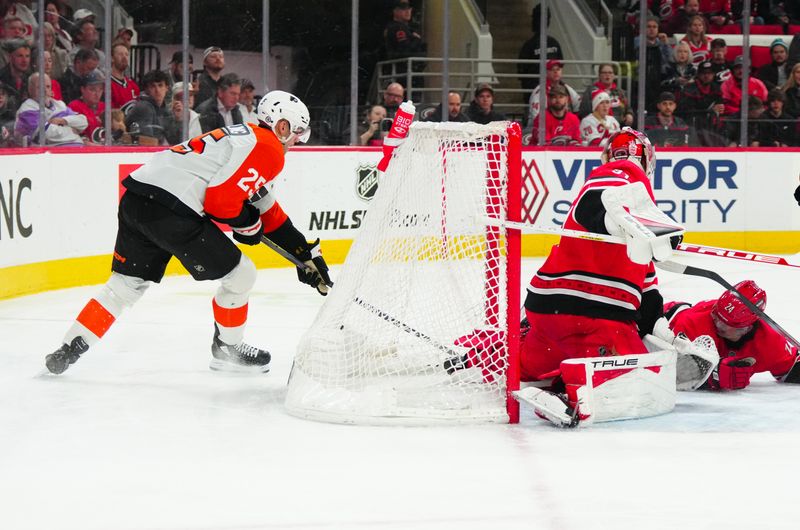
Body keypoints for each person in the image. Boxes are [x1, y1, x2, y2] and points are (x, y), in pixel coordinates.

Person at [44, 90, 330, 375]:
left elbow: (267, 209)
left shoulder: (245, 137)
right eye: (297, 133)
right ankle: (227, 349)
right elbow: (220, 202)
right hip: (171, 209)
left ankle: (68, 348)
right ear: (283, 127)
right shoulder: (268, 148)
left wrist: (303, 252)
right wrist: (247, 223)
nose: (297, 142)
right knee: (242, 274)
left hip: (136, 200)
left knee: (124, 285)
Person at [517, 128, 685, 419]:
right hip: (595, 322)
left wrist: (670, 337)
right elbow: (593, 205)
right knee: (646, 379)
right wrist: (636, 226)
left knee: (524, 365)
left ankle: (487, 352)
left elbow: (647, 299)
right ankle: (569, 391)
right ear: (646, 159)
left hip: (546, 315)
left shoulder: (641, 219)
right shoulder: (625, 174)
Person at [665, 280, 800, 390]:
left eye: (724, 324)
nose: (717, 323)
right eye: (715, 314)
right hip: (663, 320)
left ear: (746, 328)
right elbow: (668, 367)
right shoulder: (694, 323)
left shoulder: (770, 342)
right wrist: (713, 376)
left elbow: (791, 368)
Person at [14, 72, 86, 146]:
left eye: (48, 87)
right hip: (47, 155)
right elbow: (46, 134)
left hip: (75, 150)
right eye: (40, 87)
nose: (45, 90)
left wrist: (63, 120)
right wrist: (73, 131)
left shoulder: (59, 104)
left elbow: (83, 121)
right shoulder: (27, 109)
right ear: (30, 89)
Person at [517, 4, 563, 104]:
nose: (543, 21)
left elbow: (561, 63)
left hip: (553, 91)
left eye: (546, 18)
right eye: (541, 17)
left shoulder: (554, 43)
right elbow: (521, 71)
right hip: (533, 89)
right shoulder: (529, 45)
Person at [678, 60, 726, 146]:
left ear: (713, 74)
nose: (706, 76)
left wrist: (720, 109)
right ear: (699, 74)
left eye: (709, 73)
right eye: (704, 73)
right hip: (693, 128)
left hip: (711, 128)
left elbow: (719, 108)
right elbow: (686, 112)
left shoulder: (716, 89)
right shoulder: (690, 89)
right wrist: (710, 111)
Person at [635, 15, 673, 113]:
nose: (651, 29)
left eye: (654, 27)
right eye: (649, 27)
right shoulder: (638, 41)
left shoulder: (661, 43)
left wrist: (665, 44)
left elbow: (670, 59)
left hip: (659, 79)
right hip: (642, 79)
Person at [383, 0, 426, 86]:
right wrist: (417, 40)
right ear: (395, 11)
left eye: (409, 9)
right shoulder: (398, 28)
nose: (407, 11)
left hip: (409, 72)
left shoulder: (405, 28)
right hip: (404, 73)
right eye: (403, 9)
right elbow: (404, 50)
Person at [124, 69, 171, 145]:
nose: (157, 90)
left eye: (160, 85)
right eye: (153, 86)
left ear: (167, 88)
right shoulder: (144, 107)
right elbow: (148, 141)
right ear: (146, 90)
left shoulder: (165, 109)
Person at [527, 59, 581, 124]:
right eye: (552, 70)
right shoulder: (540, 91)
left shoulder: (567, 88)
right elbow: (536, 118)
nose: (556, 72)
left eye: (558, 69)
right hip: (540, 127)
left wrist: (573, 121)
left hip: (563, 127)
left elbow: (578, 105)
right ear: (546, 72)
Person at [67, 68, 104, 142]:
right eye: (92, 89)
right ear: (82, 89)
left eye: (100, 89)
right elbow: (78, 139)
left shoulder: (105, 107)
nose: (97, 94)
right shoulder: (74, 107)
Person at [0, 39, 30, 107]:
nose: (24, 60)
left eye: (27, 56)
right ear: (10, 57)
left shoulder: (31, 79)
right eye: (20, 56)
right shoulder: (1, 78)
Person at [109, 42, 139, 111]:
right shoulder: (107, 85)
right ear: (112, 58)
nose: (124, 57)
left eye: (126, 54)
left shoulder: (133, 85)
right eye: (120, 54)